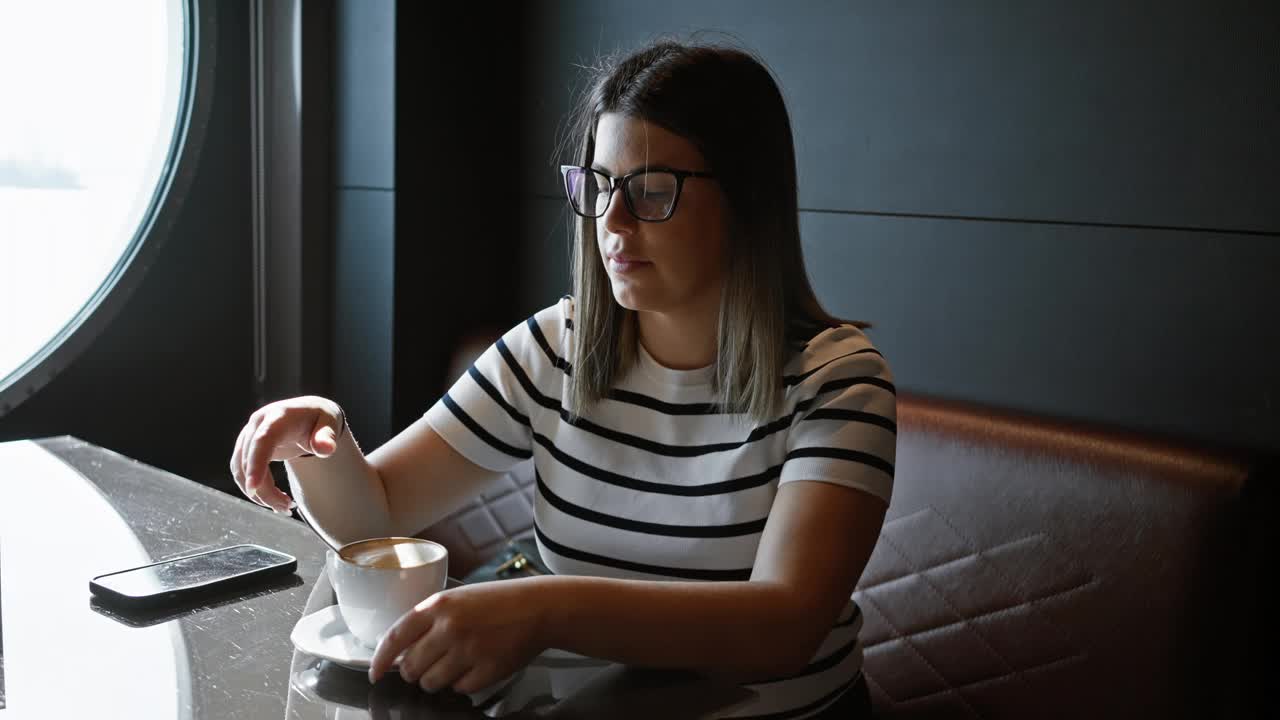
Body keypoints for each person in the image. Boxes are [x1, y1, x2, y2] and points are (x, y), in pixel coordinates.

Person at [230, 38, 895, 719]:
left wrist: (545, 609)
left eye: (652, 191)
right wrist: (317, 438)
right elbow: (377, 514)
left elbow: (782, 627)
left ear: (747, 199)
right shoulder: (559, 348)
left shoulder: (837, 380)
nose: (613, 221)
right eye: (599, 186)